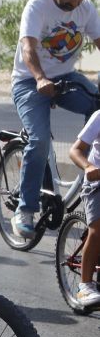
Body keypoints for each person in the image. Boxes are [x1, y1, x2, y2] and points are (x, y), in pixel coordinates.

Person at [9, 0, 100, 240]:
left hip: (66, 78)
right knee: (39, 141)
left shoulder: (86, 9)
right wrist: (39, 78)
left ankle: (89, 167)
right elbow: (28, 47)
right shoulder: (38, 6)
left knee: (97, 105)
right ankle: (25, 210)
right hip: (29, 81)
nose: (75, 4)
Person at [69, 106, 100, 307]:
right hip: (97, 183)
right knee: (98, 229)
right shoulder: (99, 117)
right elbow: (75, 150)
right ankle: (85, 285)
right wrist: (88, 167)